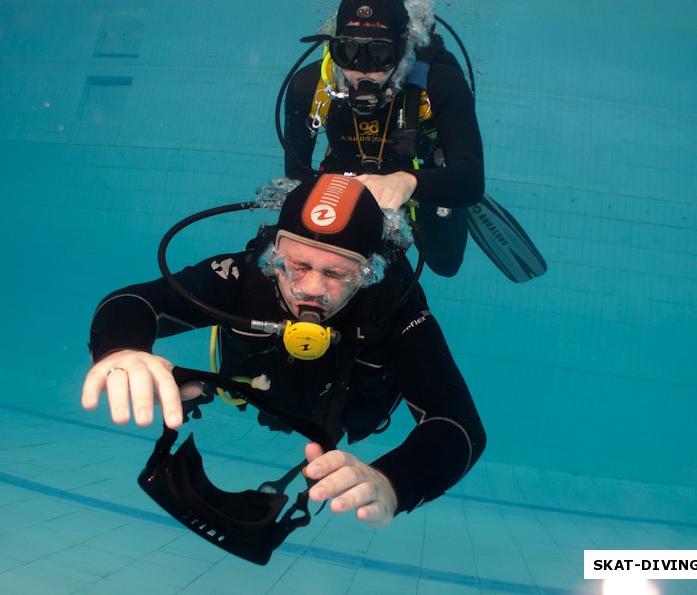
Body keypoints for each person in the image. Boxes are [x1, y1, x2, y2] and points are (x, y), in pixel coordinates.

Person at [82, 174, 485, 536]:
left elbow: (458, 422)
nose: (310, 289)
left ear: (369, 272)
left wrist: (395, 482)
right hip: (256, 391)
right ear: (275, 251)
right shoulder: (245, 276)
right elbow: (133, 302)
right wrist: (121, 348)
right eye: (296, 265)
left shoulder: (394, 307)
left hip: (340, 416)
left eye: (336, 274)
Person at [283, 0, 485, 277]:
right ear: (333, 46)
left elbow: (472, 180)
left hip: (420, 179)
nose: (363, 68)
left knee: (445, 264)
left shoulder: (441, 84)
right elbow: (296, 173)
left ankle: (441, 186)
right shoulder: (308, 87)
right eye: (348, 51)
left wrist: (408, 182)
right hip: (347, 178)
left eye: (380, 53)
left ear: (402, 48)